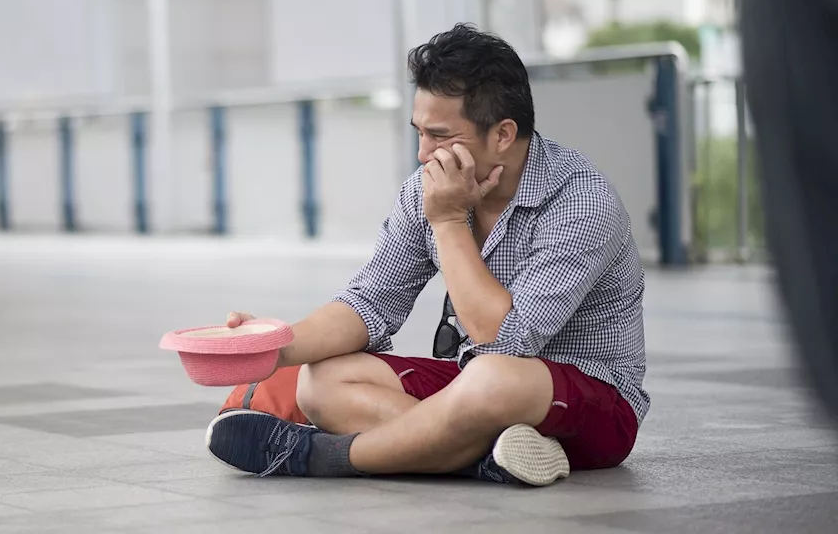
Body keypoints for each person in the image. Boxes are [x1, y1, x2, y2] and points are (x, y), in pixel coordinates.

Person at [205, 24, 647, 486]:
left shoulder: (581, 201)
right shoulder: (428, 188)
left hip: (594, 405)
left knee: (494, 377)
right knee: (321, 381)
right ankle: (488, 458)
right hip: (476, 389)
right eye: (418, 133)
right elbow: (371, 301)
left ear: (502, 135)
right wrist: (272, 348)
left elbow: (506, 342)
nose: (423, 154)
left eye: (440, 135)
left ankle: (317, 455)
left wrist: (450, 223)